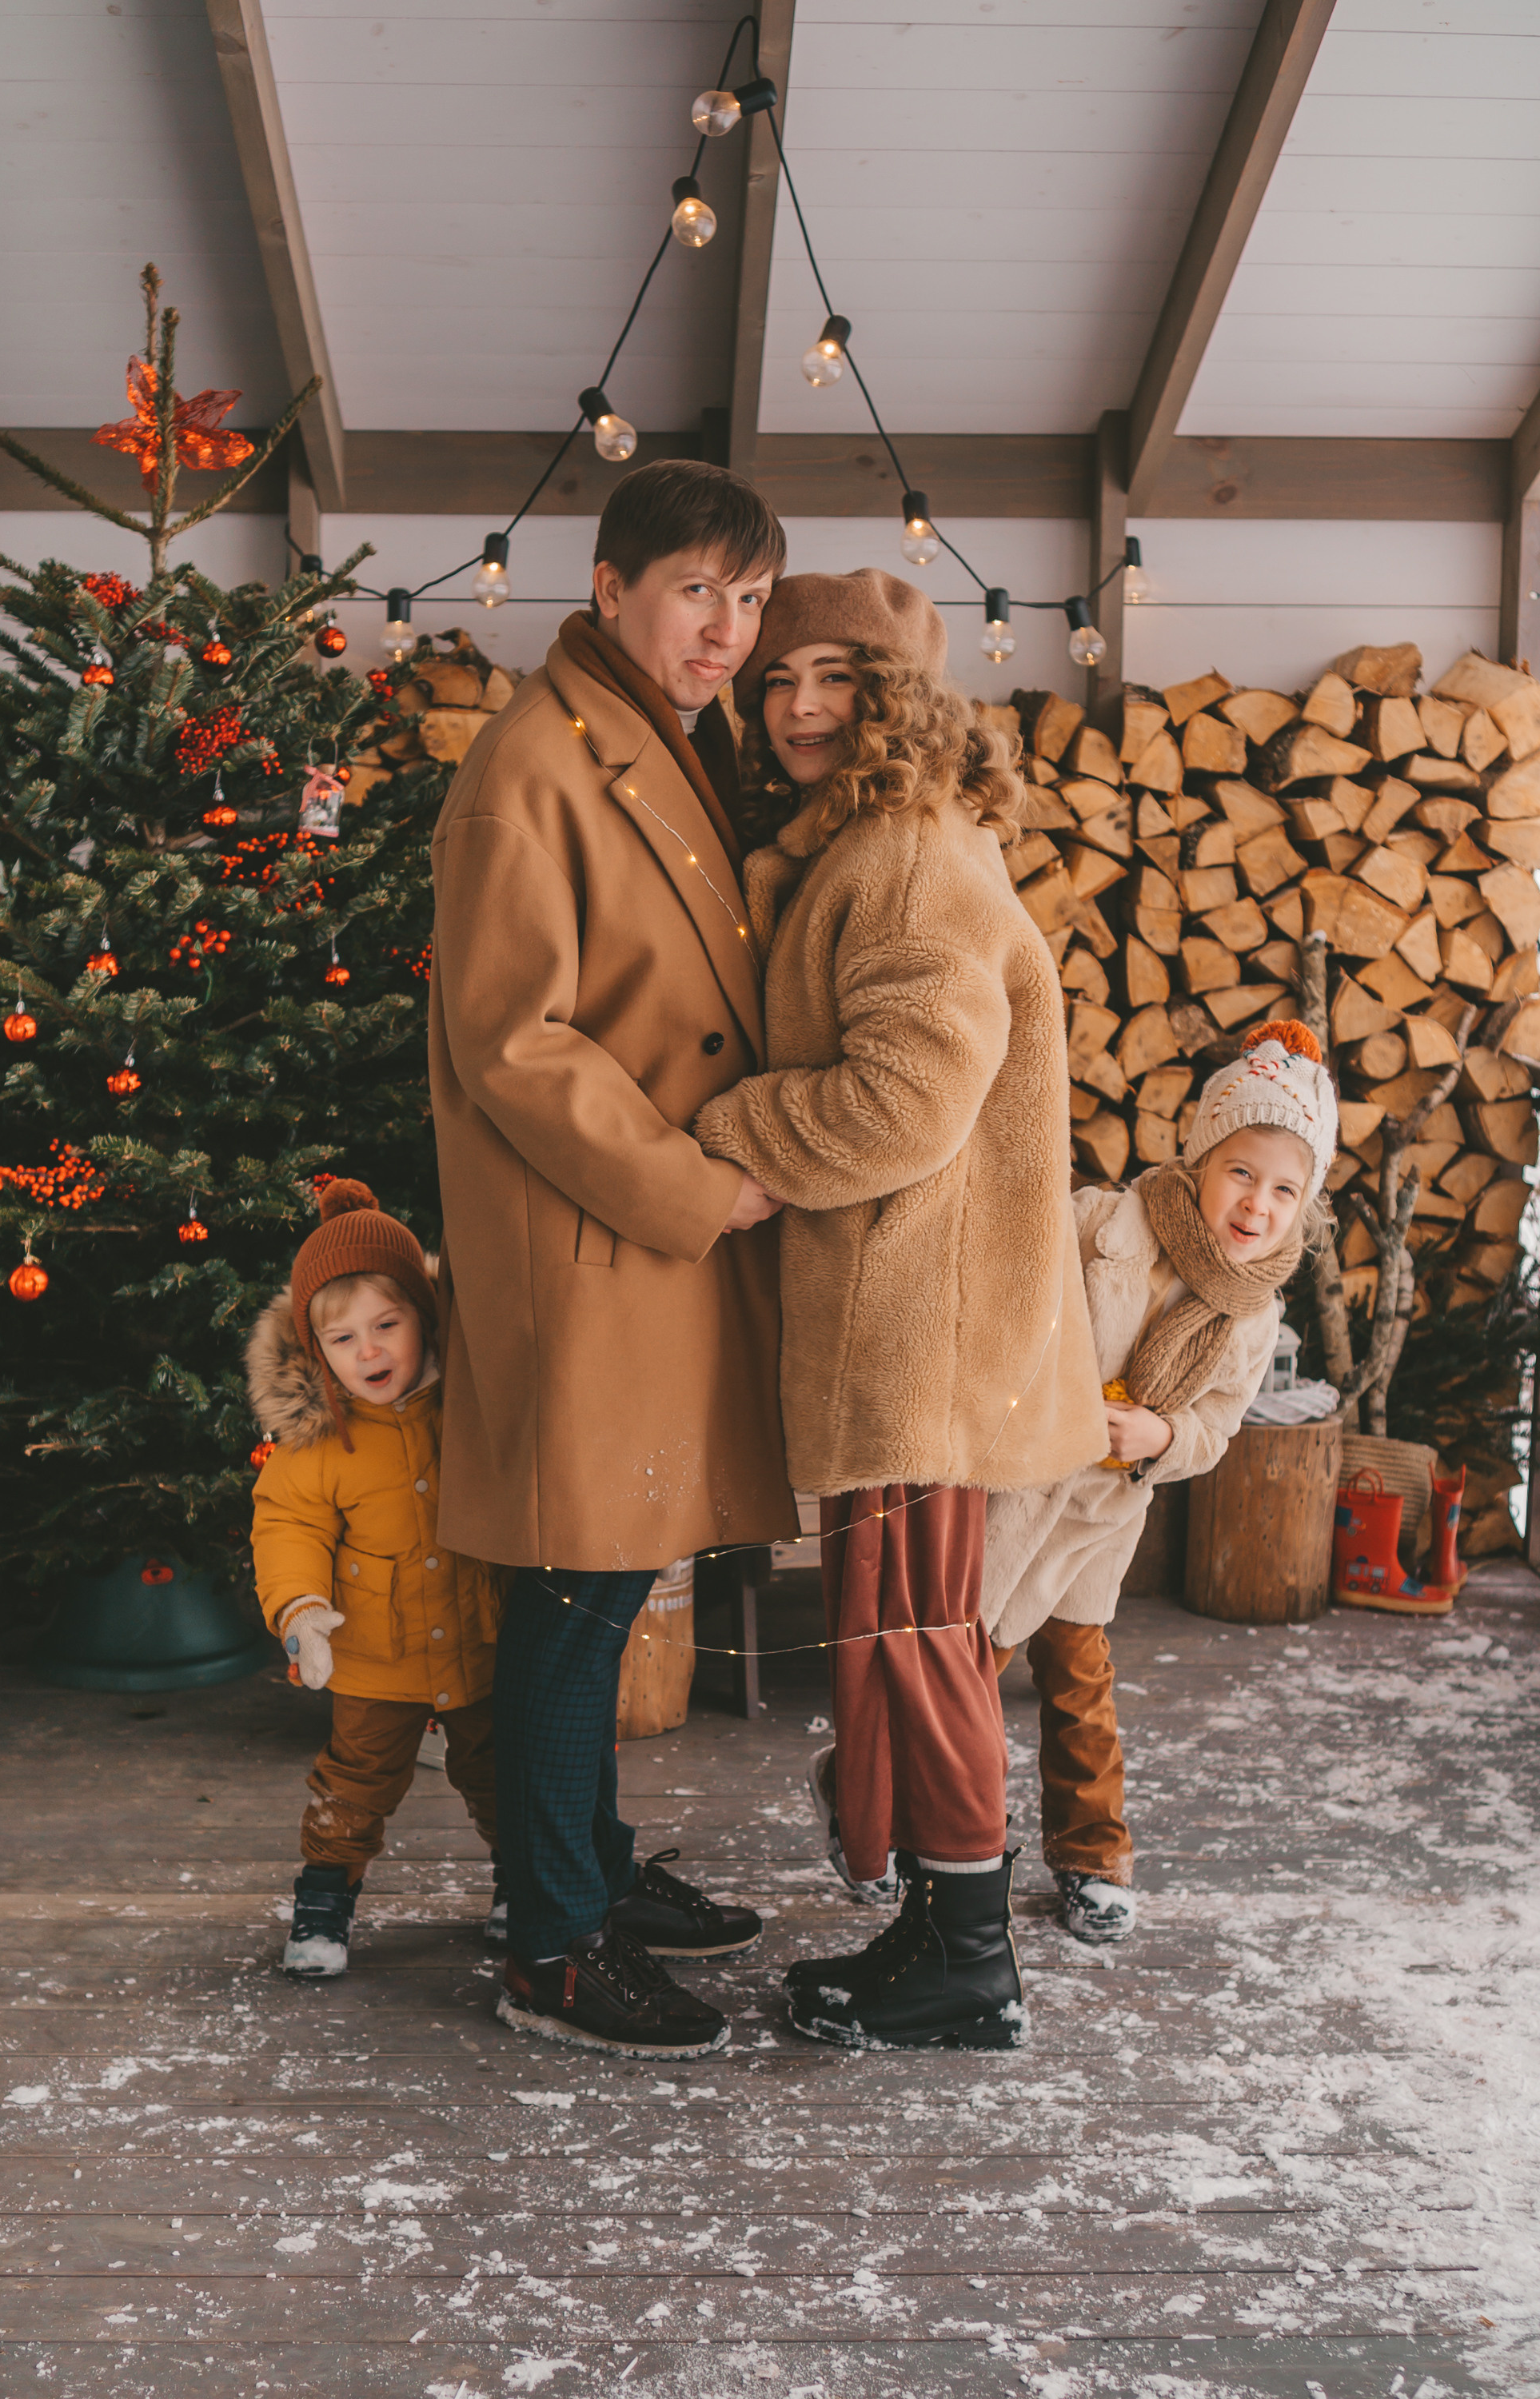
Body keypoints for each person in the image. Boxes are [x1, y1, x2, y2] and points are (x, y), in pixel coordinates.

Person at [693, 569, 1109, 2051]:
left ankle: (968, 1959)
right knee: (905, 1631)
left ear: (897, 696)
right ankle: (937, 1928)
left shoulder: (909, 857)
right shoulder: (872, 842)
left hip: (922, 1330)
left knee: (924, 1637)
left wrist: (729, 1129)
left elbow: (906, 1100)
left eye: (835, 677)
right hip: (908, 1322)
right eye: (777, 679)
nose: (797, 707)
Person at [428, 460, 799, 2058]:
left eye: (751, 598)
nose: (728, 632)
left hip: (642, 1238)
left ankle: (585, 1865)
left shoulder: (665, 735)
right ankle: (554, 1947)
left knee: (605, 1577)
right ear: (609, 589)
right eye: (697, 590)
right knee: (581, 1592)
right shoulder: (531, 764)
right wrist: (693, 1187)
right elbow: (513, 1040)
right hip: (599, 1232)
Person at [979, 1020, 1338, 1946]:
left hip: (1099, 1517)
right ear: (1200, 1158)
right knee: (964, 1669)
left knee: (1078, 1684)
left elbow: (1215, 1428)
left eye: (1283, 1190)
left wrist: (1161, 1435)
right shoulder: (1104, 1224)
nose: (1256, 1203)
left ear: (1303, 1206)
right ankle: (894, 1812)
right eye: (1240, 1172)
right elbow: (1015, 1293)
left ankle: (1091, 1856)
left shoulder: (1249, 1317)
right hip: (1019, 1493)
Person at [246, 1179, 507, 1978]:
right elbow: (288, 1527)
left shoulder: (468, 1406)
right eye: (343, 1338)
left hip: (481, 1643)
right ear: (314, 1350)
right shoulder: (318, 1443)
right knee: (354, 1785)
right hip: (373, 1657)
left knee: (503, 1771)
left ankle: (524, 1883)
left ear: (424, 1315)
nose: (369, 1352)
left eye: (386, 1325)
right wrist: (301, 1610)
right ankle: (325, 1902)